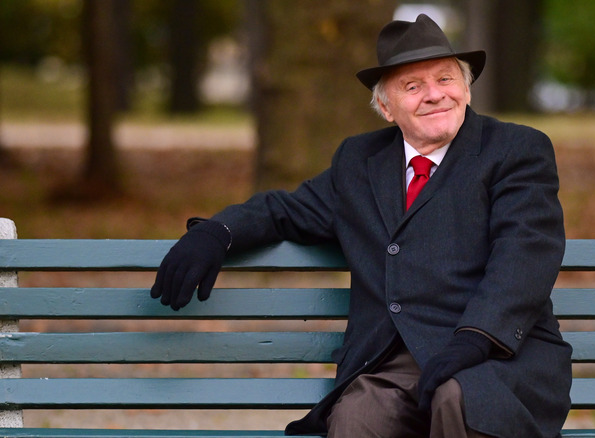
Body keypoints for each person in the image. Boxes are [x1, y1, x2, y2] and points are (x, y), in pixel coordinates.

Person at [151, 14, 572, 438]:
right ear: (386, 108)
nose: (435, 95)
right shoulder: (359, 161)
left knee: (459, 398)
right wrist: (215, 233)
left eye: (446, 79)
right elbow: (284, 210)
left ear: (466, 87)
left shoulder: (516, 150)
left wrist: (475, 338)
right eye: (413, 86)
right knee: (357, 418)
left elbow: (526, 251)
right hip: (392, 361)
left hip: (497, 353)